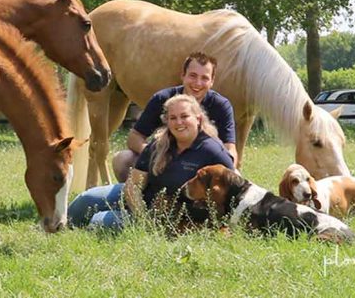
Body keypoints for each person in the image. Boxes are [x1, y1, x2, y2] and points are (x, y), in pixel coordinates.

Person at [67, 94, 235, 229]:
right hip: (141, 201)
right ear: (167, 121)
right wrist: (142, 218)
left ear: (198, 119)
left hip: (170, 215)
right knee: (85, 199)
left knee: (101, 222)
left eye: (185, 116)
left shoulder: (212, 151)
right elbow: (133, 186)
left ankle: (92, 228)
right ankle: (62, 226)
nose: (179, 122)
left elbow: (234, 187)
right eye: (173, 118)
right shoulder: (160, 144)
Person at [111, 52, 237, 183]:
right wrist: (154, 155)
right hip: (163, 162)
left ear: (212, 81)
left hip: (202, 165)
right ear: (183, 75)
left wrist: (227, 165)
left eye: (204, 78)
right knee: (122, 159)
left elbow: (230, 147)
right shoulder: (162, 99)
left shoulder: (221, 105)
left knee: (235, 174)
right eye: (193, 76)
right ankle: (131, 197)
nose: (198, 83)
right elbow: (134, 137)